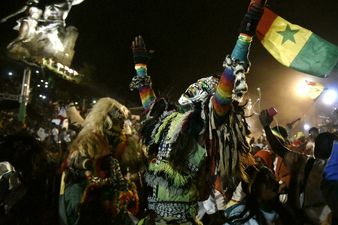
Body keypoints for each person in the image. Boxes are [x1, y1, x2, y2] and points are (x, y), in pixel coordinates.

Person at [130, 1, 266, 223]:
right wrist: (140, 68)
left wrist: (246, 31)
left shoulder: (203, 126)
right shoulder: (168, 121)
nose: (194, 87)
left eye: (201, 88)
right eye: (195, 86)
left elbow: (224, 92)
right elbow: (150, 107)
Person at [59, 97, 145, 225]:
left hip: (116, 194)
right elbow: (75, 162)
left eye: (122, 120)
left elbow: (137, 166)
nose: (121, 124)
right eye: (117, 120)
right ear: (107, 120)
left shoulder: (127, 141)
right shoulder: (90, 138)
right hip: (88, 189)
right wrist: (90, 170)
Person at [224, 167, 297, 225]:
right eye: (268, 180)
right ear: (255, 188)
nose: (275, 183)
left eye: (273, 179)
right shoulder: (242, 215)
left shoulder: (281, 210)